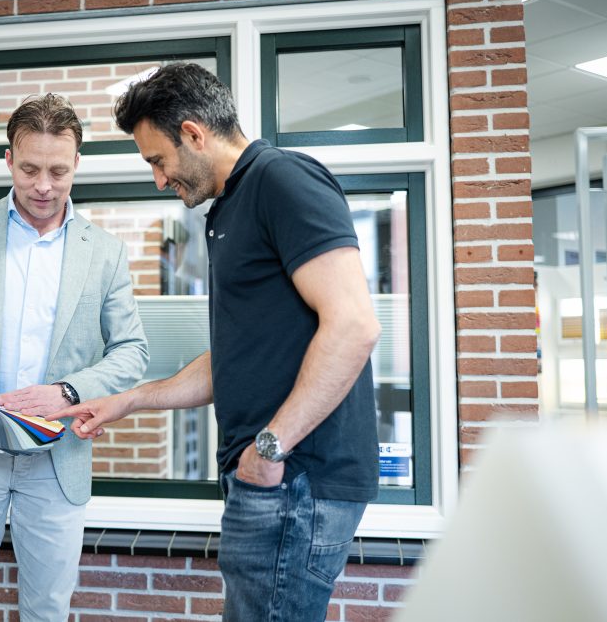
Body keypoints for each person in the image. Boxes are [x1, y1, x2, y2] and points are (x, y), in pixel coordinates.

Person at [50, 63, 382, 622]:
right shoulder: (229, 208)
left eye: (158, 159)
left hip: (294, 483)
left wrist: (268, 450)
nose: (158, 178)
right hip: (271, 484)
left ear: (194, 133)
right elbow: (237, 357)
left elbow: (354, 326)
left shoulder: (282, 179)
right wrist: (128, 400)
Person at [0, 93, 149, 622]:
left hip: (56, 460)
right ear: (9, 160)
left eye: (58, 171)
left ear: (77, 163)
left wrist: (67, 392)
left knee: (47, 612)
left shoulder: (105, 251)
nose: (44, 185)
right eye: (31, 168)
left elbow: (132, 350)